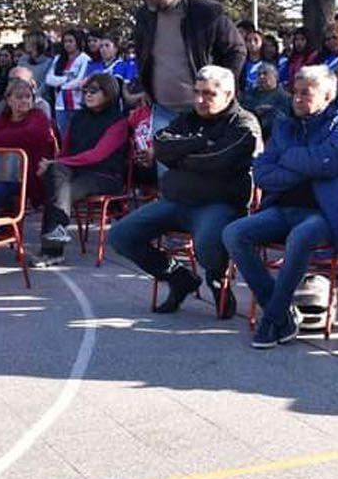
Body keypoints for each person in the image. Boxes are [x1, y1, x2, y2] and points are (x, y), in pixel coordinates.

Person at [224, 65, 338, 349]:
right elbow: (262, 172)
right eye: (295, 92)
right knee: (233, 233)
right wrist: (308, 165)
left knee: (300, 237)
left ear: (327, 95)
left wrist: (287, 158)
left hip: (326, 212)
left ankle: (271, 317)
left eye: (306, 94)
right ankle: (282, 314)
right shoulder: (285, 123)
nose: (297, 99)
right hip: (282, 207)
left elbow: (330, 161)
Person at [110, 65, 260, 316]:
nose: (201, 99)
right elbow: (160, 143)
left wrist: (180, 154)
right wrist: (201, 143)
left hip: (219, 203)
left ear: (229, 94)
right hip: (176, 201)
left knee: (207, 246)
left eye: (209, 94)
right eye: (197, 92)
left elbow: (218, 159)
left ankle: (217, 281)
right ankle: (178, 278)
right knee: (121, 236)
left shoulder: (244, 123)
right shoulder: (189, 118)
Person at [133, 0, 246, 143]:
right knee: (165, 168)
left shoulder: (206, 12)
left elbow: (236, 50)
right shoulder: (144, 16)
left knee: (203, 166)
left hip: (204, 112)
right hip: (162, 109)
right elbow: (141, 53)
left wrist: (222, 87)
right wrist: (145, 86)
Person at [35, 73, 128, 266]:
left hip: (105, 175)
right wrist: (53, 164)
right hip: (76, 171)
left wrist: (56, 164)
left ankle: (51, 251)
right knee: (56, 178)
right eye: (85, 90)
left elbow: (98, 155)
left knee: (61, 190)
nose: (87, 94)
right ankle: (55, 242)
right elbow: (65, 152)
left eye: (93, 90)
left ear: (109, 93)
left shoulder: (118, 122)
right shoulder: (78, 118)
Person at [0, 77, 59, 218]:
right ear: (9, 100)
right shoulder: (0, 119)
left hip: (25, 175)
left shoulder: (39, 116)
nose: (24, 101)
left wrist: (1, 138)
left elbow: (30, 135)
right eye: (19, 97)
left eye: (28, 97)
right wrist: (11, 140)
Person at [44, 28, 92, 135]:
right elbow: (49, 79)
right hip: (60, 105)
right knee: (63, 137)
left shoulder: (85, 59)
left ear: (77, 42)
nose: (67, 44)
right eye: (65, 41)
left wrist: (61, 85)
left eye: (71, 41)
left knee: (78, 136)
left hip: (78, 105)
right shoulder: (58, 59)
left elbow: (79, 81)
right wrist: (66, 79)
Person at [239, 62, 290, 142]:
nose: (261, 77)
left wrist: (271, 111)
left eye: (265, 73)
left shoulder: (285, 98)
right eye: (259, 74)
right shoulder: (247, 95)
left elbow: (285, 120)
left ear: (276, 77)